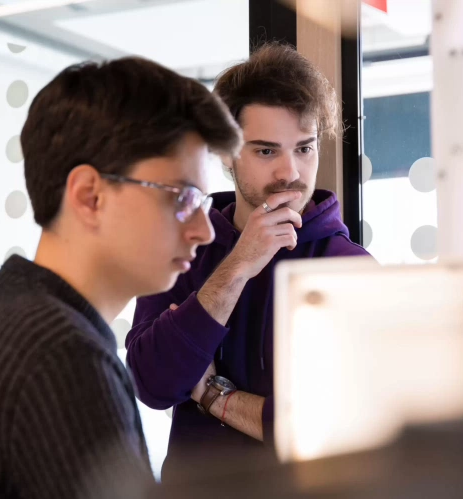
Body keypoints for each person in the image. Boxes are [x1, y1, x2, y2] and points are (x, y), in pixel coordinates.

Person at [0, 58, 241, 499]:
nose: (206, 229)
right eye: (182, 197)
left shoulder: (14, 316)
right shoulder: (61, 358)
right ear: (90, 196)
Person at [126, 43, 371, 482]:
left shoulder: (349, 268)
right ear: (225, 154)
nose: (289, 172)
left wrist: (213, 396)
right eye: (265, 151)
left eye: (304, 148)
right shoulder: (184, 246)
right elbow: (153, 384)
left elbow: (336, 431)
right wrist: (237, 266)